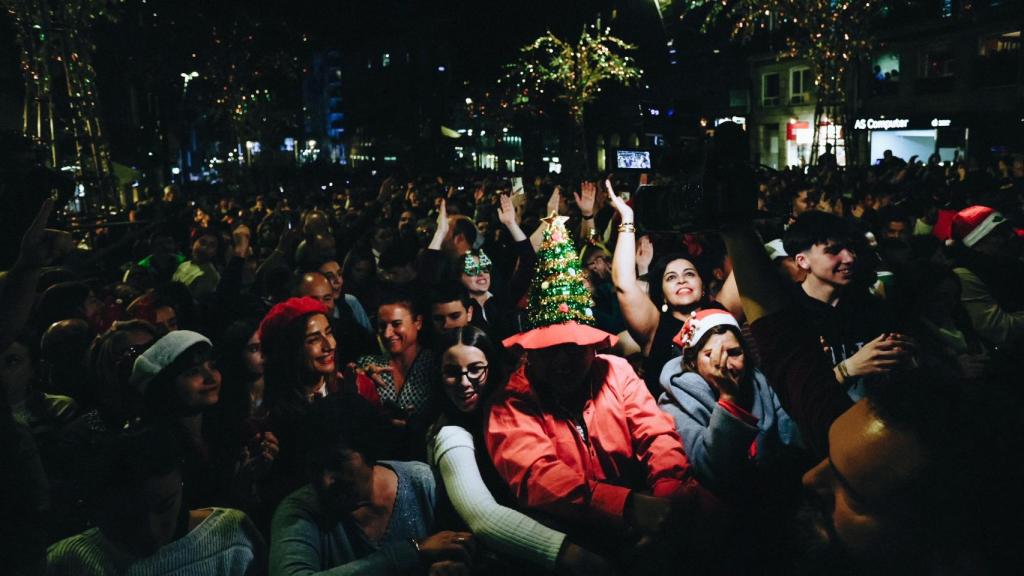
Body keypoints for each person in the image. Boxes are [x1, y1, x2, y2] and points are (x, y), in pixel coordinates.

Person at [487, 214, 715, 570]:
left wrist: (669, 494)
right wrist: (628, 508)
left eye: (574, 348)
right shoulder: (511, 403)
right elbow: (538, 477)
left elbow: (656, 434)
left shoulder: (616, 370)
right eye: (551, 350)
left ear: (594, 347)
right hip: (570, 546)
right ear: (529, 352)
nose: (563, 361)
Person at [428, 326, 611, 574]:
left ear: (492, 369)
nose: (463, 382)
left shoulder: (512, 411)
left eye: (475, 369)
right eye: (451, 372)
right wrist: (574, 555)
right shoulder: (451, 433)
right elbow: (484, 518)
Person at [270, 395, 475, 576]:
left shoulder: (422, 483)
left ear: (368, 452)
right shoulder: (300, 511)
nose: (326, 481)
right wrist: (412, 552)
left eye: (337, 463)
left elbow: (469, 549)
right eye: (315, 467)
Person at [47, 427, 265, 575]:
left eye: (165, 506)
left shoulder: (231, 536)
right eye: (127, 516)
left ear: (182, 484)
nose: (149, 531)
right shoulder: (70, 561)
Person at [657, 309, 803, 494]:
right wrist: (728, 396)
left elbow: (792, 441)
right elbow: (714, 471)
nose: (724, 363)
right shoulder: (675, 401)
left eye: (734, 353)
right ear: (692, 361)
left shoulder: (758, 383)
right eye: (710, 355)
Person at [131, 329, 278, 512]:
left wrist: (256, 470)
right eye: (194, 371)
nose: (210, 377)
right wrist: (238, 487)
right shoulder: (153, 448)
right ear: (165, 385)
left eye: (213, 366)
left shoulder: (227, 429)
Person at [783, 211, 910, 400]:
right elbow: (797, 396)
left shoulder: (869, 306)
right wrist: (848, 369)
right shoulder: (788, 314)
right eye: (833, 251)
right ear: (803, 261)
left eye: (849, 248)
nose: (849, 258)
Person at [608, 181, 717, 395]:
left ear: (703, 287)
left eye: (689, 274)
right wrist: (628, 219)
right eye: (671, 277)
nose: (681, 280)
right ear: (663, 295)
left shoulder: (721, 312)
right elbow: (623, 284)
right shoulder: (655, 327)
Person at [948, 205, 1024, 352]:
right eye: (998, 234)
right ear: (977, 243)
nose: (1010, 236)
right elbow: (999, 329)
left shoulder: (1009, 262)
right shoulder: (964, 275)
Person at [171, 230, 222, 298]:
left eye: (211, 245)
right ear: (193, 244)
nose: (205, 248)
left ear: (215, 252)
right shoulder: (183, 265)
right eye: (202, 242)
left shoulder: (210, 274)